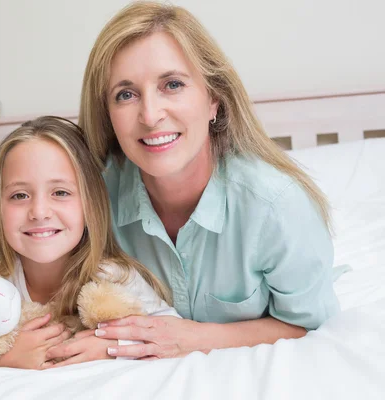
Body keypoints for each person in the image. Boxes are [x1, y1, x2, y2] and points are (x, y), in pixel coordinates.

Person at [46, 1, 340, 361]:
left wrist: (195, 337)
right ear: (107, 114)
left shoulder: (277, 206)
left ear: (213, 98)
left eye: (172, 84)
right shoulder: (92, 199)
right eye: (126, 94)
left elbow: (307, 325)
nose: (151, 115)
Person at [0, 116, 178, 384]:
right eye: (19, 195)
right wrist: (0, 358)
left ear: (89, 204)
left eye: (60, 192)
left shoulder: (112, 277)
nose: (39, 212)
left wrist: (112, 347)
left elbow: (170, 330)